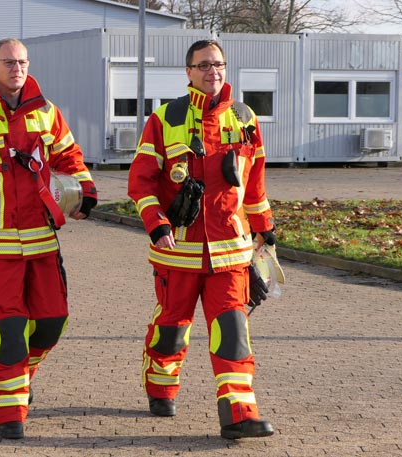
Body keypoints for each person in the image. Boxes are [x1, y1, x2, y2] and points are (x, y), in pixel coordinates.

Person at [0, 38, 98, 440]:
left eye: (22, 62)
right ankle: (9, 408)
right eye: (8, 62)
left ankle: (19, 376)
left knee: (51, 324)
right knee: (9, 328)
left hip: (42, 242)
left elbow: (70, 158)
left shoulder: (47, 112)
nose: (17, 69)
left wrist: (86, 193)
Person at [127, 39, 276, 440]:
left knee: (232, 330)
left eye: (219, 64)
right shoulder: (164, 118)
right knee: (172, 328)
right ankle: (160, 386)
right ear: (188, 71)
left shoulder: (245, 118)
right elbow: (140, 182)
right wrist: (156, 224)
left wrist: (265, 228)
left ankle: (239, 413)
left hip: (230, 252)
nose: (214, 71)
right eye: (204, 65)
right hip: (178, 252)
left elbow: (254, 182)